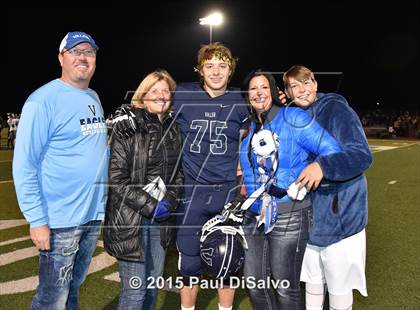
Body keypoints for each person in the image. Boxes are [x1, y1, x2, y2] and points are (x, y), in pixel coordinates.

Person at [112, 43, 249, 310]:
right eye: (209, 66)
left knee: (228, 258)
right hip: (191, 193)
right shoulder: (183, 93)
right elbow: (152, 103)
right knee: (189, 263)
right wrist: (126, 112)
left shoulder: (241, 100)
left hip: (226, 192)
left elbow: (258, 126)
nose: (216, 72)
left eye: (223, 66)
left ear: (231, 70)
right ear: (200, 70)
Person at [12, 31, 108, 310]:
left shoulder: (93, 96)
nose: (83, 57)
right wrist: (37, 219)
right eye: (75, 51)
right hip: (60, 219)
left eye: (89, 52)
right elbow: (25, 163)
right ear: (61, 58)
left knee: (72, 289)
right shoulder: (43, 100)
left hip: (91, 215)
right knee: (52, 298)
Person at [233, 69, 341, 309]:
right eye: (253, 88)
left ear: (272, 91)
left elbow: (332, 149)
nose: (259, 92)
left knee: (284, 288)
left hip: (289, 213)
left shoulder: (293, 117)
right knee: (255, 285)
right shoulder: (251, 128)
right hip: (254, 216)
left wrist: (317, 166)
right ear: (247, 95)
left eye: (264, 87)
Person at [283, 65, 372, 310]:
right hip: (308, 215)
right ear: (288, 93)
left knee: (338, 285)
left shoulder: (334, 108)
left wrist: (323, 167)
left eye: (306, 82)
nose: (302, 89)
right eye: (295, 86)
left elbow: (362, 155)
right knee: (312, 281)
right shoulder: (292, 115)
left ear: (315, 84)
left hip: (340, 214)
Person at [104, 69, 184, 310]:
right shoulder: (127, 126)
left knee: (151, 288)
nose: (161, 95)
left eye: (165, 91)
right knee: (135, 291)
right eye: (155, 90)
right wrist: (151, 206)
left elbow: (178, 174)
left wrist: (170, 200)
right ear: (143, 94)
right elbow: (117, 179)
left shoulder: (174, 127)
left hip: (160, 222)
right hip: (132, 221)